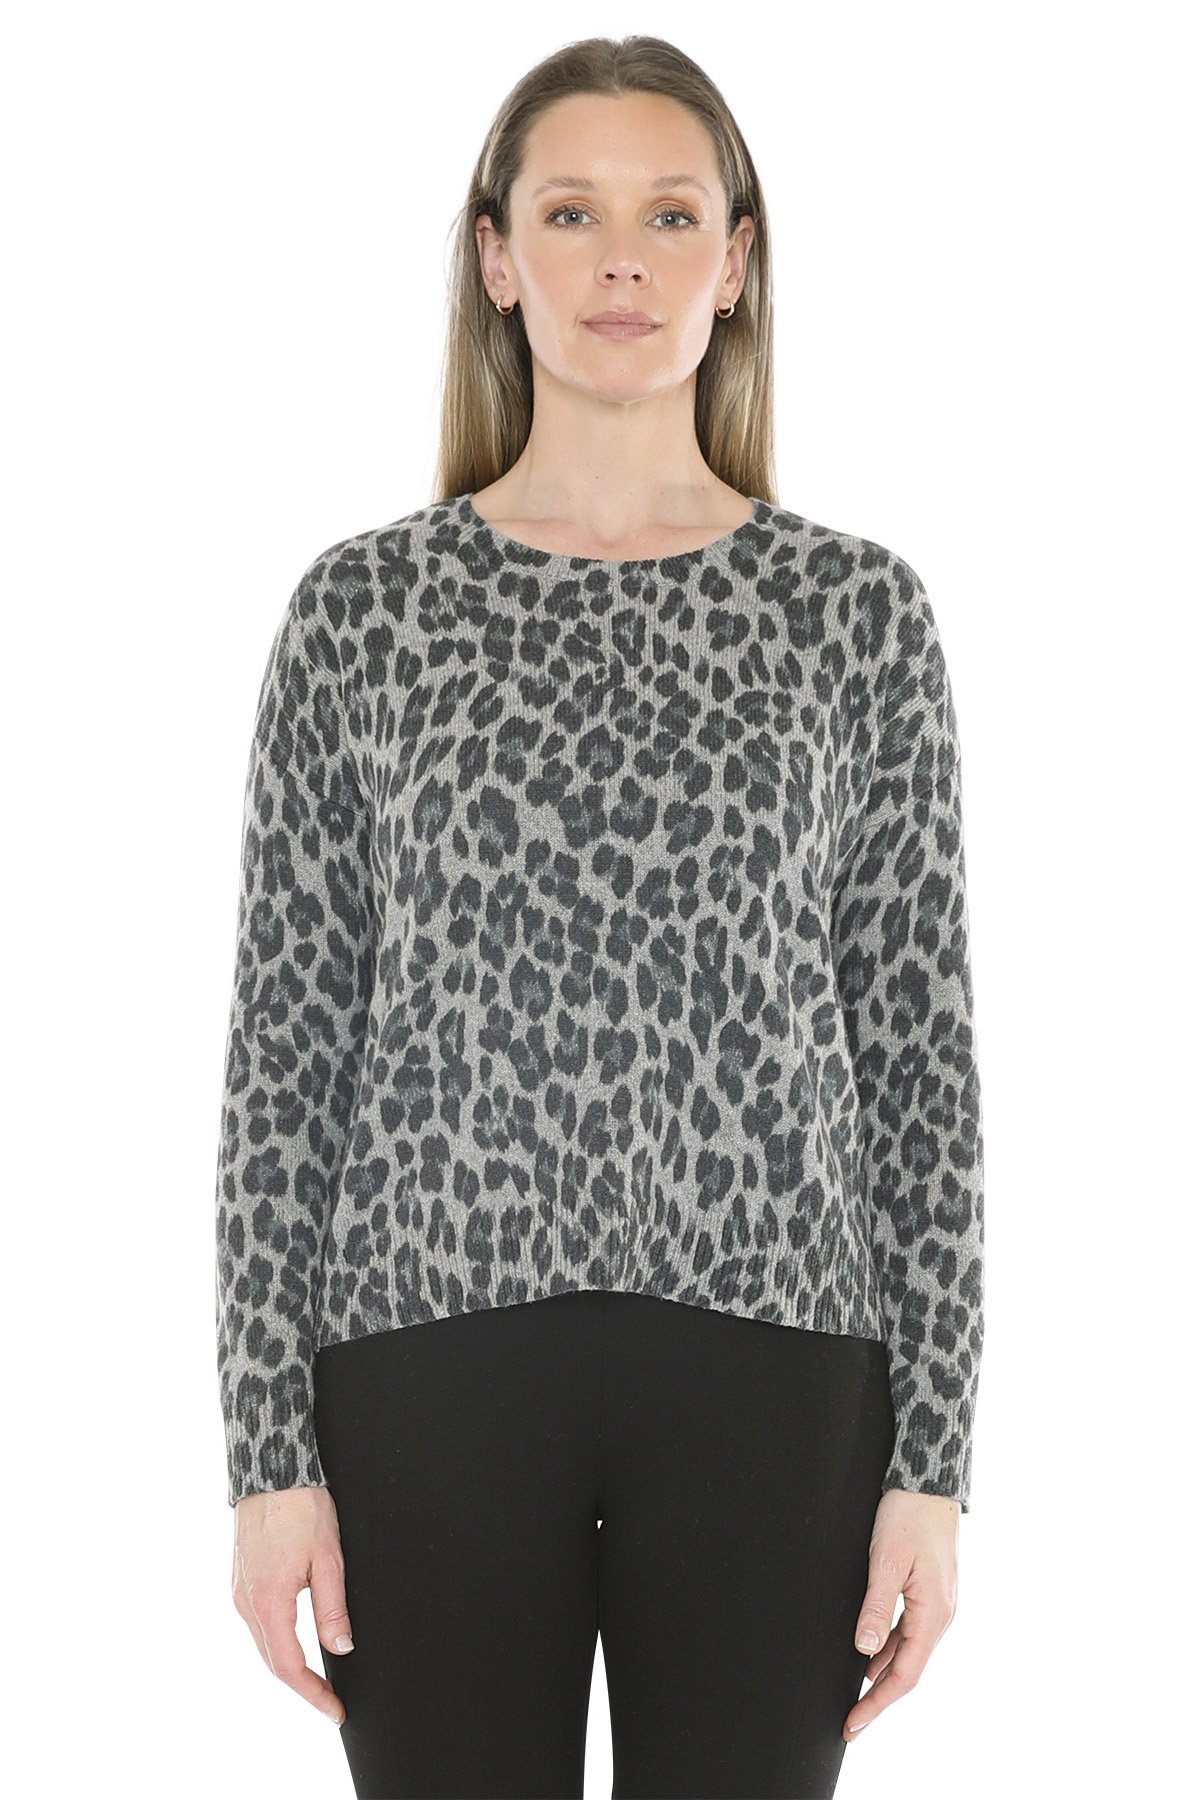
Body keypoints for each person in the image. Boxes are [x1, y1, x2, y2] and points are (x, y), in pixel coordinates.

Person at [215, 33, 985, 1800]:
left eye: (669, 215)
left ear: (738, 260)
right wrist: (266, 1459)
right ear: (497, 257)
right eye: (570, 213)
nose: (622, 261)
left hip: (781, 1372)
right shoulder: (364, 614)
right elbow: (285, 1057)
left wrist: (935, 1465)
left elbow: (919, 1058)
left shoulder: (855, 617)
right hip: (423, 1364)